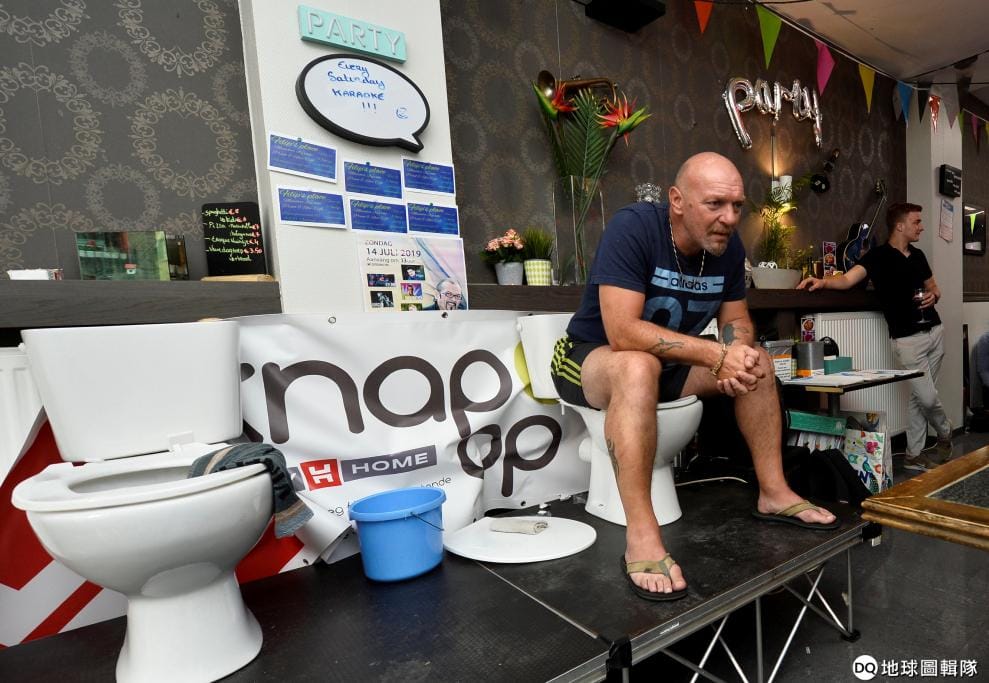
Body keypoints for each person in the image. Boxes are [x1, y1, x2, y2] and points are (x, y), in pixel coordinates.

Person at [552, 152, 837, 602]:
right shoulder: (635, 228)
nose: (730, 218)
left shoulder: (728, 247)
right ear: (677, 201)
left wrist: (737, 354)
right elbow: (622, 332)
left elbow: (736, 320)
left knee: (759, 364)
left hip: (666, 368)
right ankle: (641, 534)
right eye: (715, 204)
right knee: (638, 365)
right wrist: (715, 354)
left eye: (736, 206)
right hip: (590, 359)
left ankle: (774, 492)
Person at [798, 202, 952, 471]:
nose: (921, 227)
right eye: (916, 222)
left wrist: (934, 295)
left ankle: (914, 455)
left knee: (919, 397)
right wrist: (822, 281)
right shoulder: (877, 257)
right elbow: (847, 280)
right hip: (907, 340)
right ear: (900, 226)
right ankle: (946, 432)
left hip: (935, 332)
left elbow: (934, 288)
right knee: (927, 397)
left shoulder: (918, 255)